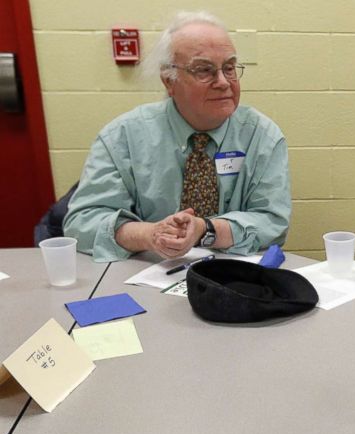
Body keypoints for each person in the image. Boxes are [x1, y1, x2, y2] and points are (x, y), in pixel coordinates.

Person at [64, 11, 290, 263]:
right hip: (146, 272)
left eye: (229, 68)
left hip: (236, 275)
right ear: (169, 81)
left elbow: (273, 223)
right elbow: (81, 222)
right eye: (204, 70)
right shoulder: (123, 137)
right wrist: (149, 234)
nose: (223, 82)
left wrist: (206, 229)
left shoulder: (263, 137)